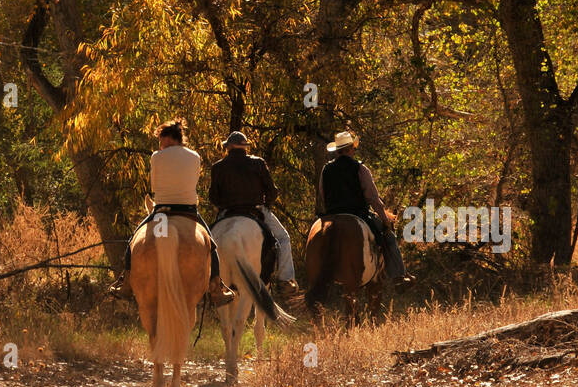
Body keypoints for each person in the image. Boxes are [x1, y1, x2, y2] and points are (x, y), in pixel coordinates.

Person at [109, 121, 236, 307]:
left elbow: (154, 186)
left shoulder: (156, 156)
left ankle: (126, 283)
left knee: (131, 243)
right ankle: (216, 288)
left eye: (162, 143)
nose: (161, 147)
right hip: (188, 210)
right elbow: (193, 182)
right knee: (211, 246)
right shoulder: (194, 156)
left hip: (161, 211)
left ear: (170, 139)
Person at [209, 131, 301, 300]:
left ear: (228, 147)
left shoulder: (218, 166)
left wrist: (224, 205)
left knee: (208, 245)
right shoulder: (258, 163)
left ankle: (211, 282)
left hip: (227, 212)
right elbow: (272, 191)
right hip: (255, 209)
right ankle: (284, 280)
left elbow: (213, 197)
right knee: (283, 238)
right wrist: (266, 204)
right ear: (245, 147)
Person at [317, 130, 412, 284]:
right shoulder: (360, 168)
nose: (354, 151)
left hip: (331, 216)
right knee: (389, 238)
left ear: (338, 150)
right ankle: (398, 276)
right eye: (353, 148)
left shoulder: (326, 169)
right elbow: (373, 198)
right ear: (348, 149)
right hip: (358, 214)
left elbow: (322, 195)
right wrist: (385, 220)